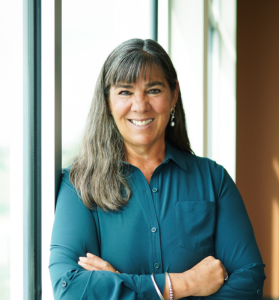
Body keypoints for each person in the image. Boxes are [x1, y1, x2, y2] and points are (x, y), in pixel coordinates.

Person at [49, 39, 266, 300]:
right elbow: (69, 288)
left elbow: (249, 281)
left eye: (153, 90)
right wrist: (184, 284)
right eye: (125, 92)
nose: (140, 106)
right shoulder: (79, 184)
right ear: (107, 101)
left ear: (174, 95)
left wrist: (118, 283)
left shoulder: (213, 180)